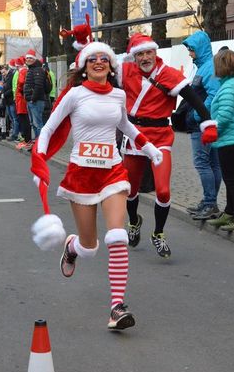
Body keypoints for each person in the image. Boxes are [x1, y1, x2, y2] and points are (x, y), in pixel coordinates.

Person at [31, 41, 163, 330]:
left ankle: (116, 308)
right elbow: (50, 127)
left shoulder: (117, 95)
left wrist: (149, 147)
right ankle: (72, 247)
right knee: (90, 247)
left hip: (113, 172)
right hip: (81, 174)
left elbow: (125, 126)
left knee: (117, 236)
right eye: (93, 59)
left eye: (105, 58)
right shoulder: (75, 95)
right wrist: (39, 155)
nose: (99, 62)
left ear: (112, 65)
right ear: (84, 66)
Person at [120, 33, 218, 258]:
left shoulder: (169, 75)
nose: (145, 57)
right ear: (134, 57)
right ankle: (134, 222)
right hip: (134, 135)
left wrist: (208, 123)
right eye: (140, 54)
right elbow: (95, 70)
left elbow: (195, 100)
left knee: (163, 190)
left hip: (160, 136)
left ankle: (158, 233)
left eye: (149, 52)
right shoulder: (125, 72)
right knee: (130, 190)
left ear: (155, 53)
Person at [182, 30, 223, 220]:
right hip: (206, 124)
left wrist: (199, 116)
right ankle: (209, 201)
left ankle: (210, 203)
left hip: (203, 125)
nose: (190, 54)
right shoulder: (205, 66)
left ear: (200, 49)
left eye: (192, 50)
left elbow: (213, 96)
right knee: (212, 163)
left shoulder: (209, 67)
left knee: (203, 163)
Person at [206, 49, 234, 231]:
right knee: (230, 177)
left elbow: (224, 115)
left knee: (231, 179)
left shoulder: (230, 86)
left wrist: (212, 131)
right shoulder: (232, 83)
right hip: (231, 137)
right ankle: (229, 212)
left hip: (229, 138)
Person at [23, 49, 47, 138]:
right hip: (31, 100)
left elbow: (39, 85)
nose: (28, 59)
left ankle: (40, 144)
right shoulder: (32, 69)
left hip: (36, 101)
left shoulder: (37, 70)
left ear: (34, 59)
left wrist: (33, 98)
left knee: (38, 124)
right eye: (27, 58)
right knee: (33, 123)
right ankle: (37, 142)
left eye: (30, 58)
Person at [15, 56, 31, 149]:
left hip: (21, 99)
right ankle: (26, 139)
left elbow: (20, 83)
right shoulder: (25, 71)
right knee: (25, 120)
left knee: (24, 120)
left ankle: (26, 140)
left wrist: (19, 92)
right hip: (22, 98)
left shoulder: (22, 71)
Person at [3, 58, 20, 141]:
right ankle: (14, 133)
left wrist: (4, 93)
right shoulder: (11, 74)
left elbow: (12, 87)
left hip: (11, 99)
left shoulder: (13, 74)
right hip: (9, 99)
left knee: (14, 118)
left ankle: (15, 134)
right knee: (12, 117)